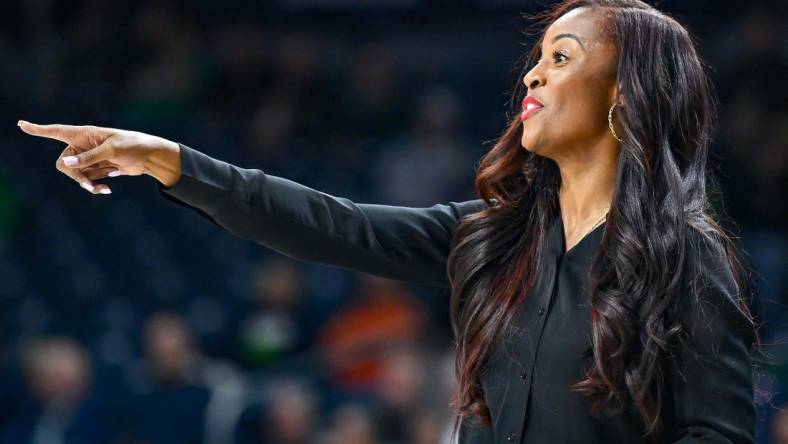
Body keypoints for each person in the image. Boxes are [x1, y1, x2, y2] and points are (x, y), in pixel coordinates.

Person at [17, 0, 759, 442]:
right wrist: (170, 159)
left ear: (626, 94)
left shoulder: (685, 260)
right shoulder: (492, 237)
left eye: (561, 57)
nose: (533, 73)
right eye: (537, 57)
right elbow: (332, 224)